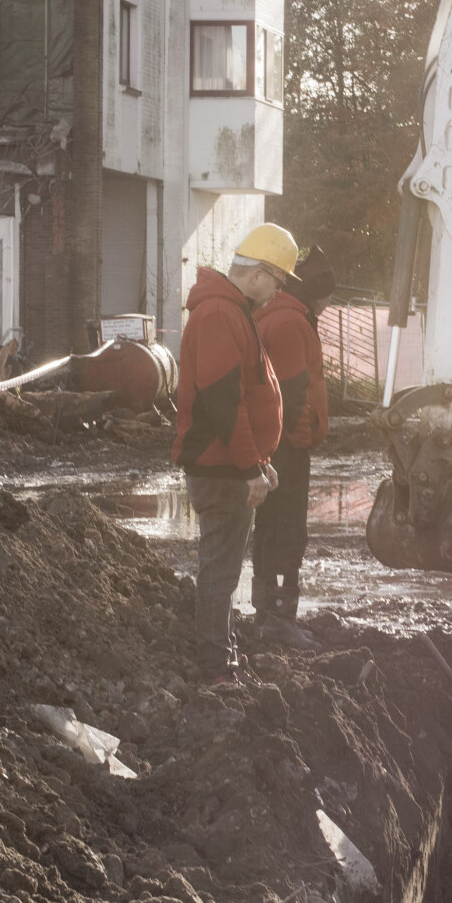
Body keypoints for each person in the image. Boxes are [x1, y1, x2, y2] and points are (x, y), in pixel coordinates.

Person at [173, 223, 293, 681]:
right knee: (220, 573)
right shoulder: (221, 314)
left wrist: (258, 462)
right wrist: (250, 467)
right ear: (259, 273)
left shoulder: (226, 310)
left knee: (221, 569)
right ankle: (214, 666)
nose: (277, 293)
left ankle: (221, 655)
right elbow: (224, 401)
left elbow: (236, 397)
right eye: (278, 282)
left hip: (229, 466)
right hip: (221, 469)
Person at [252, 245, 336, 647]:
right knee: (286, 529)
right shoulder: (291, 322)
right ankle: (279, 621)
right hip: (286, 448)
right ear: (315, 294)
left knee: (269, 528)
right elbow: (290, 390)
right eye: (325, 301)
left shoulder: (274, 315)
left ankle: (266, 613)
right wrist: (303, 435)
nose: (325, 309)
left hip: (272, 444)